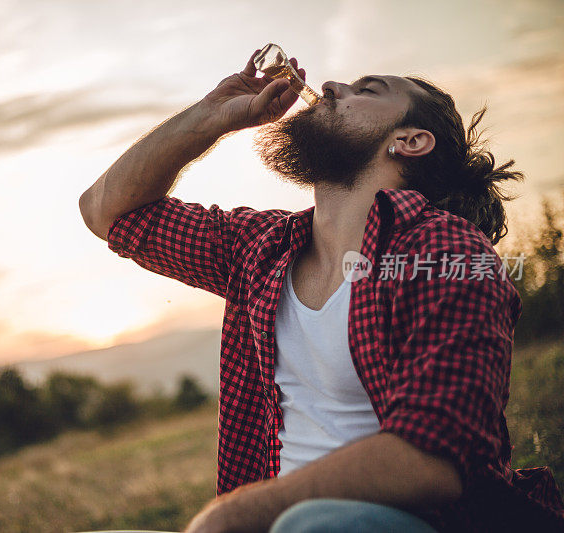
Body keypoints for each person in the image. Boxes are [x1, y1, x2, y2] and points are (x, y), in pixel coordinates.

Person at [78, 49, 564, 532]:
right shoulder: (261, 249)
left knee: (315, 525)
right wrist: (213, 115)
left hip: (415, 524)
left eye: (367, 90)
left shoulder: (445, 250)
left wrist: (237, 512)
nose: (330, 87)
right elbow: (106, 211)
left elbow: (435, 459)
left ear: (410, 140)